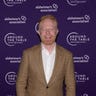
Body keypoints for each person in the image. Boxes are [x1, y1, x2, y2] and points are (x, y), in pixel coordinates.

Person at [16, 14, 76, 96]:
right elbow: (20, 83)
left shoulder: (67, 56)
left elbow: (71, 86)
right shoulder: (28, 54)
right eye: (43, 29)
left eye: (51, 29)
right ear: (38, 32)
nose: (48, 32)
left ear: (57, 31)